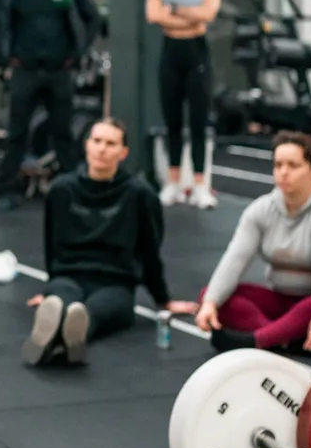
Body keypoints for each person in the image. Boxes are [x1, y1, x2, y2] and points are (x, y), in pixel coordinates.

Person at [23, 118, 190, 367]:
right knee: (61, 299)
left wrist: (162, 299)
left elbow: (149, 251)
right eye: (97, 141)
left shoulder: (140, 195)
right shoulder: (61, 190)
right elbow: (52, 243)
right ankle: (64, 335)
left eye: (110, 144)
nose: (102, 149)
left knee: (90, 314)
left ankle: (61, 337)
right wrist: (51, 284)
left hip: (115, 284)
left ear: (123, 153)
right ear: (87, 145)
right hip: (69, 277)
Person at [194, 131, 311, 353]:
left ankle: (257, 341)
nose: (283, 173)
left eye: (293, 166)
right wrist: (210, 304)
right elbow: (235, 259)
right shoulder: (260, 210)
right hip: (282, 305)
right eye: (278, 165)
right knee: (213, 294)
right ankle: (281, 338)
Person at [0, 0, 99, 212]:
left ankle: (72, 190)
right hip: (25, 71)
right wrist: (3, 58)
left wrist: (78, 52)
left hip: (59, 71)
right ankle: (7, 190)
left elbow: (92, 17)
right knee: (16, 134)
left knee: (64, 135)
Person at [145, 0, 223, 209]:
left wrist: (173, 10)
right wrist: (189, 15)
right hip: (171, 52)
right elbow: (153, 15)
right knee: (172, 121)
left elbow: (207, 16)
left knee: (199, 122)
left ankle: (201, 185)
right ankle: (174, 183)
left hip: (197, 53)